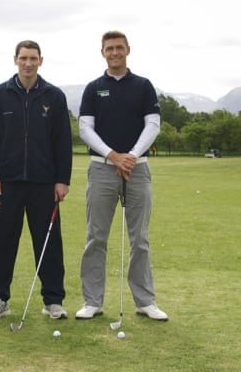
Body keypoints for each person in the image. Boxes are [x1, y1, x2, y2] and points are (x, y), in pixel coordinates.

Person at [75, 30, 168, 322]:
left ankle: (145, 301)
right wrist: (112, 155)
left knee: (139, 238)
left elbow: (153, 124)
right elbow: (85, 128)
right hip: (102, 169)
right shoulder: (93, 88)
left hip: (137, 169)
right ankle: (92, 301)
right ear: (102, 52)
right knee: (96, 237)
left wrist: (130, 156)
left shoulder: (143, 86)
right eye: (109, 49)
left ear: (128, 50)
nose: (114, 53)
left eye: (119, 48)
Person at [0, 40, 72, 321]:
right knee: (2, 241)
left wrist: (62, 180)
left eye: (33, 58)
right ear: (15, 60)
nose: (28, 63)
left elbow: (63, 142)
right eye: (23, 58)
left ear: (40, 61)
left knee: (48, 243)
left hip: (44, 183)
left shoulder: (54, 96)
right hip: (7, 183)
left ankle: (53, 300)